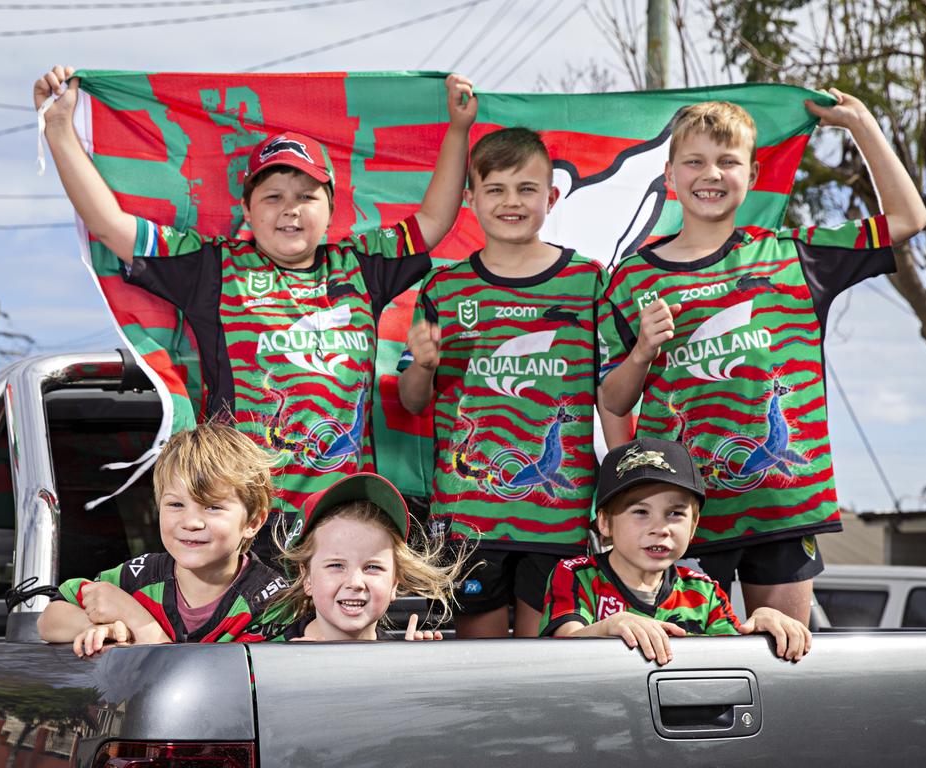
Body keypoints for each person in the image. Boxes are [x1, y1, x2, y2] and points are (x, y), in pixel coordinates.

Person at [32, 66, 477, 534]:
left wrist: (459, 129)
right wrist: (60, 127)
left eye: (307, 195)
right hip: (242, 516)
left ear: (331, 210)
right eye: (272, 196)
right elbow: (110, 226)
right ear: (246, 209)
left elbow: (434, 219)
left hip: (343, 513)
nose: (290, 208)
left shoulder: (363, 265)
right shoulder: (212, 268)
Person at [598, 91, 926, 624]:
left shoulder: (792, 255)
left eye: (728, 161)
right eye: (695, 161)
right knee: (677, 679)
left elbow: (909, 218)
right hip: (681, 518)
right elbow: (613, 398)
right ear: (669, 175)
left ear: (752, 173)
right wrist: (640, 351)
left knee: (783, 666)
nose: (711, 173)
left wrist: (860, 124)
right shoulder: (632, 278)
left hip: (783, 511)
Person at [398, 127, 618, 639]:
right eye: (495, 189)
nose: (511, 202)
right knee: (486, 670)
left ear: (552, 197)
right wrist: (424, 366)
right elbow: (412, 402)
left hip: (558, 521)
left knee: (551, 662)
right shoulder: (444, 287)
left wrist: (619, 489)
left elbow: (612, 395)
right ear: (471, 198)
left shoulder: (588, 280)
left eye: (526, 189)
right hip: (468, 520)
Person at [540, 437, 811, 664]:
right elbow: (562, 647)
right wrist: (609, 626)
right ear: (605, 522)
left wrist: (762, 624)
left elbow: (731, 657)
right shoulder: (576, 575)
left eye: (675, 513)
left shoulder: (704, 592)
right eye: (641, 512)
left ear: (693, 526)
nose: (660, 528)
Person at [37, 423, 289, 655]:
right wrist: (102, 627)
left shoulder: (271, 602)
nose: (191, 522)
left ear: (253, 522)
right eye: (176, 504)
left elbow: (214, 692)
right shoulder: (137, 577)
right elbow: (49, 619)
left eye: (212, 507)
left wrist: (137, 621)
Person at [270, 472, 462, 642]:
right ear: (307, 578)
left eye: (373, 567)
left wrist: (416, 673)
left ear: (394, 584)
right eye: (336, 565)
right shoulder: (265, 659)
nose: (355, 583)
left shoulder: (401, 661)